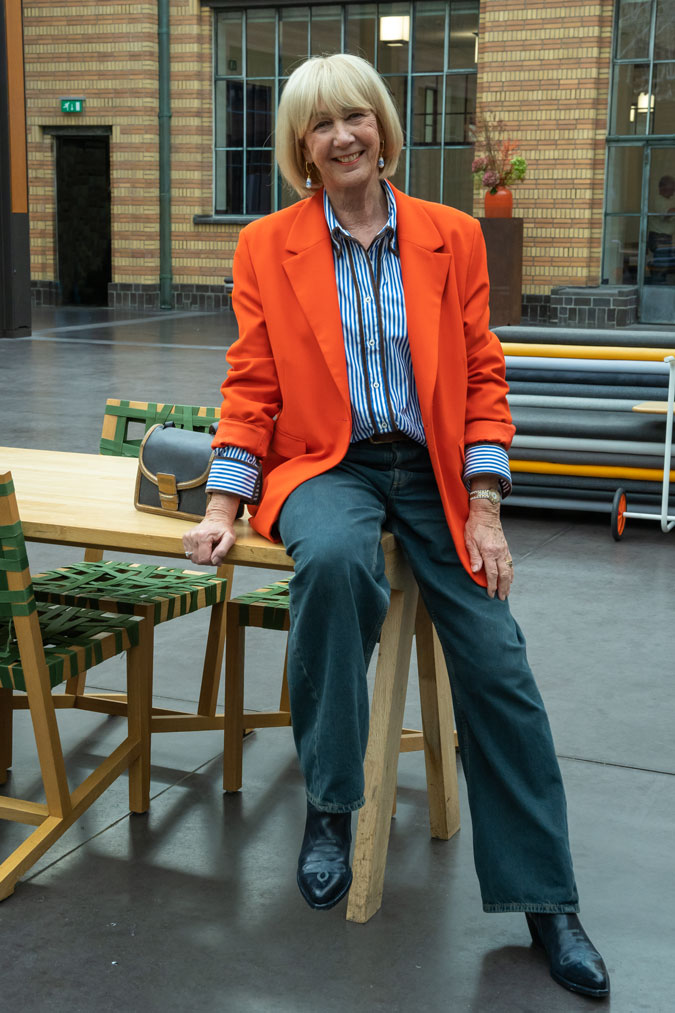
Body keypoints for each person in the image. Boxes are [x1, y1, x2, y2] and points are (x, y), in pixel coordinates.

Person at [183, 54, 609, 999]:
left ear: (382, 127)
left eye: (357, 117)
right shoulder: (266, 247)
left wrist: (487, 506)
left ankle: (548, 902)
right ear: (302, 145)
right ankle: (331, 804)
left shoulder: (452, 236)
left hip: (431, 470)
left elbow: (483, 378)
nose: (344, 136)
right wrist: (221, 503)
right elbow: (251, 388)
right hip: (325, 462)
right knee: (333, 562)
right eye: (322, 124)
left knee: (497, 661)